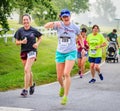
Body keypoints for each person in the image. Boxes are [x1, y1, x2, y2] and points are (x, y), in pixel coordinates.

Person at [44, 9, 84, 105]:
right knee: (59, 77)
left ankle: (65, 96)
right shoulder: (58, 25)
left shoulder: (74, 26)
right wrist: (54, 22)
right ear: (61, 17)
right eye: (64, 16)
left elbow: (80, 37)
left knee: (66, 73)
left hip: (71, 52)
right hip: (60, 52)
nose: (66, 18)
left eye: (67, 16)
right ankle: (62, 86)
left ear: (70, 16)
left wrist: (82, 48)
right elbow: (45, 26)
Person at [14, 14, 42, 97]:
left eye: (27, 19)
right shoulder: (20, 31)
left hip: (32, 51)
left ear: (30, 20)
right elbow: (16, 42)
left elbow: (40, 37)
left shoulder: (33, 30)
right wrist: (22, 42)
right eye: (24, 20)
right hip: (24, 52)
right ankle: (32, 84)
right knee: (28, 70)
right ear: (22, 21)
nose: (25, 21)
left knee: (26, 69)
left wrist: (37, 43)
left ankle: (25, 90)